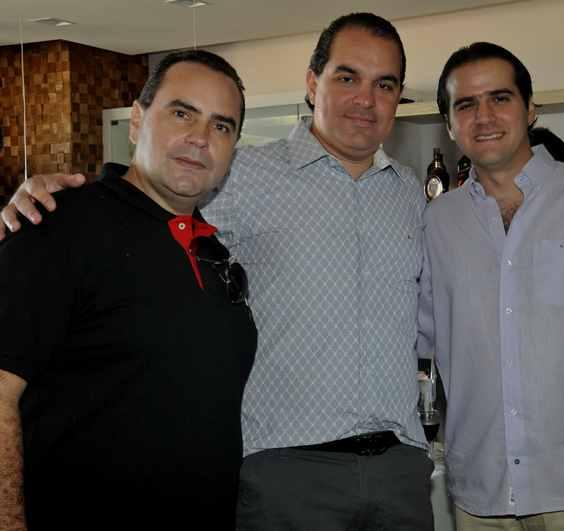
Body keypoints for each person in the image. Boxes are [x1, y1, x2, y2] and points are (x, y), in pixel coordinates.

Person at [0, 13, 433, 531]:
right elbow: (132, 205)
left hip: (398, 469)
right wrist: (36, 202)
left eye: (384, 84)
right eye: (347, 77)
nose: (365, 98)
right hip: (286, 472)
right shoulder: (236, 176)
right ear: (312, 83)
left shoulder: (411, 193)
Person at [0, 50, 256, 531]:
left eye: (221, 126)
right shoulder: (57, 225)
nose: (200, 138)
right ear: (137, 121)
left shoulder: (214, 253)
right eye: (182, 113)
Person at [417, 42, 564, 530]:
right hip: (481, 488)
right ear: (449, 125)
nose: (484, 116)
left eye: (500, 98)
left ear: (530, 108)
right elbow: (424, 339)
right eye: (465, 105)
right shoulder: (437, 222)